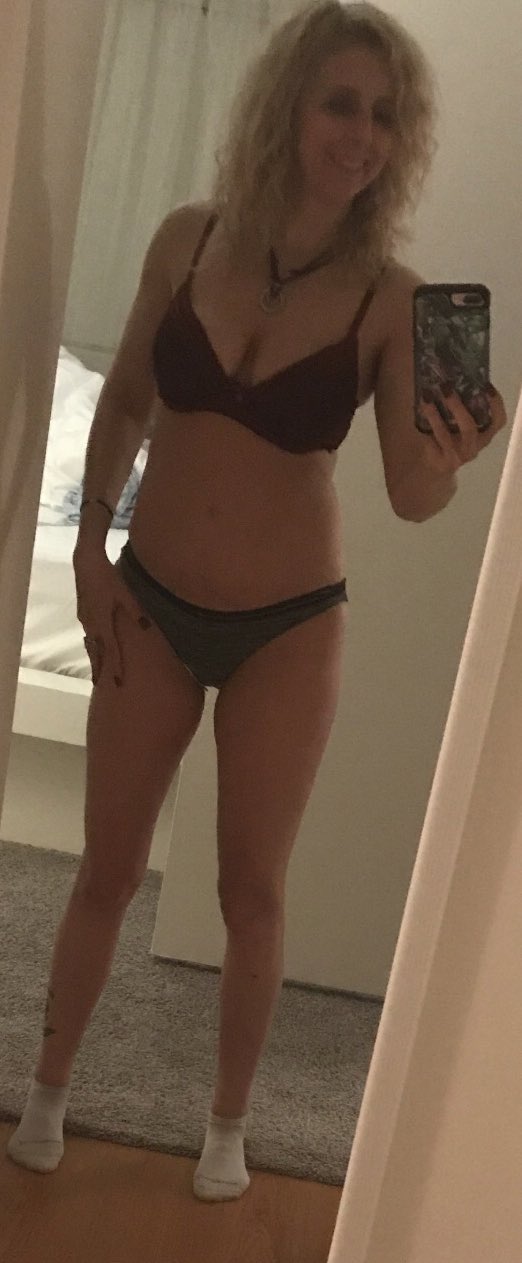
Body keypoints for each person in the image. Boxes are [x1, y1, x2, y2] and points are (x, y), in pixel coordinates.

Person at [7, 0, 506, 1200]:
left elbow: (411, 496)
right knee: (107, 868)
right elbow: (127, 399)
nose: (364, 135)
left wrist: (458, 455)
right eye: (342, 103)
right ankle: (50, 1089)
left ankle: (227, 1128)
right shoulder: (188, 239)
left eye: (387, 116)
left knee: (251, 889)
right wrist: (87, 550)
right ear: (288, 105)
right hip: (150, 598)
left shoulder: (394, 298)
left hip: (291, 624)